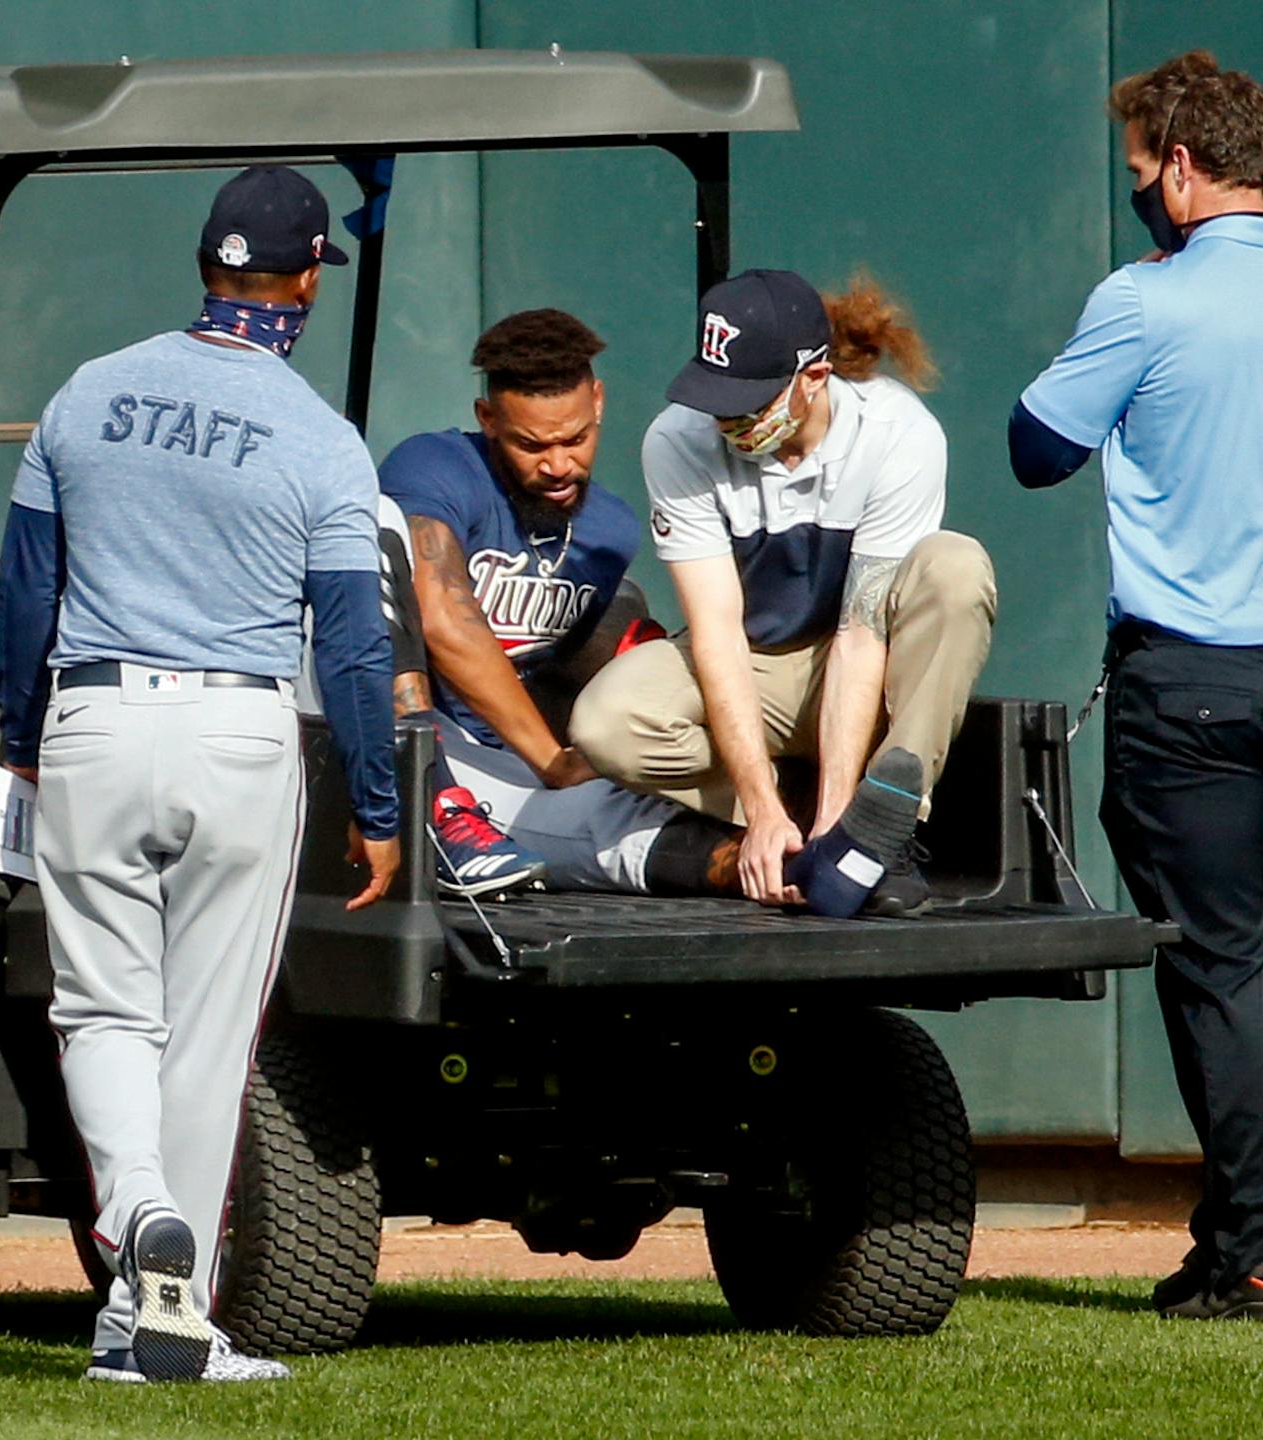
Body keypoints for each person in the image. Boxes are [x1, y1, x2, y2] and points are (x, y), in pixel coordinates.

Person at [0, 165, 400, 1383]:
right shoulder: (323, 440)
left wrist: (19, 741)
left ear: (207, 266)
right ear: (306, 281)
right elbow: (354, 643)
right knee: (209, 1044)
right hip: (239, 735)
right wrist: (377, 806)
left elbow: (26, 588)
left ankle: (135, 1235)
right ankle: (172, 1309)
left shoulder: (87, 391)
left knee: (103, 1013)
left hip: (94, 719)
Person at [1010, 51, 1263, 1320]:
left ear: (1178, 164)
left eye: (1138, 174)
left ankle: (1250, 1253)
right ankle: (1239, 1242)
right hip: (1203, 681)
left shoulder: (1146, 299)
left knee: (1224, 972)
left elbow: (1036, 447)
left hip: (1200, 687)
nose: (1135, 195)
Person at [572, 270, 997, 918]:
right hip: (757, 663)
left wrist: (837, 826)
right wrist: (762, 811)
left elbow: (862, 634)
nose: (726, 420)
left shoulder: (897, 432)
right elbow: (715, 630)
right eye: (717, 398)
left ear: (814, 378)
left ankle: (880, 827)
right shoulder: (676, 440)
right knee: (606, 723)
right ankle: (787, 814)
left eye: (749, 402)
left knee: (956, 568)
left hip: (860, 659)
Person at [374, 309, 744, 899]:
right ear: (488, 419)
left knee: (622, 819)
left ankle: (809, 864)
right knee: (374, 546)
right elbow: (444, 621)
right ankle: (438, 810)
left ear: (597, 402)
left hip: (506, 761)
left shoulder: (611, 531)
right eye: (531, 444)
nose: (557, 464)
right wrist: (551, 761)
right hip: (402, 739)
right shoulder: (436, 467)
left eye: (574, 439)